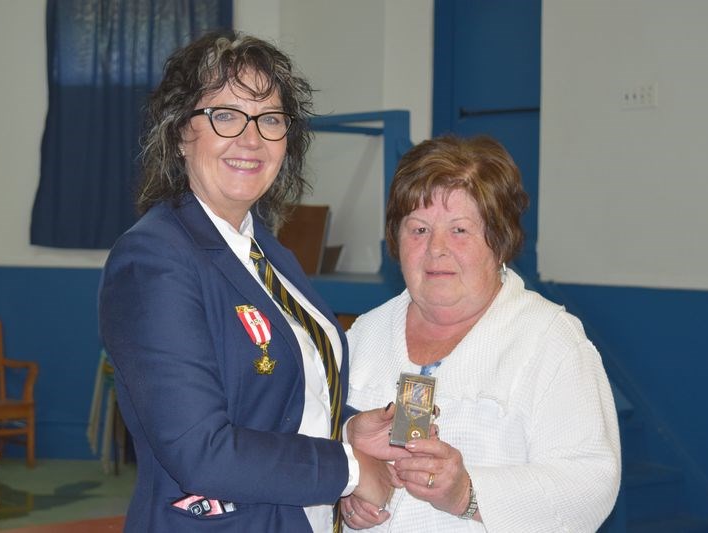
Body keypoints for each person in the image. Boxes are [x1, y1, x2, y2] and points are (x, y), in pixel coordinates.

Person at [99, 30, 400, 533]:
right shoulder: (153, 259)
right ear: (180, 132)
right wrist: (349, 470)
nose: (252, 138)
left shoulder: (262, 246)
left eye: (271, 119)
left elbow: (271, 396)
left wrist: (347, 427)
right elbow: (201, 450)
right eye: (226, 115)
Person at [341, 135, 621, 532]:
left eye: (459, 230)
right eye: (418, 229)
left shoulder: (550, 341)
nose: (436, 249)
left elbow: (590, 483)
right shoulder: (364, 334)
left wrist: (468, 493)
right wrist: (347, 482)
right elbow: (308, 437)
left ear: (500, 239)